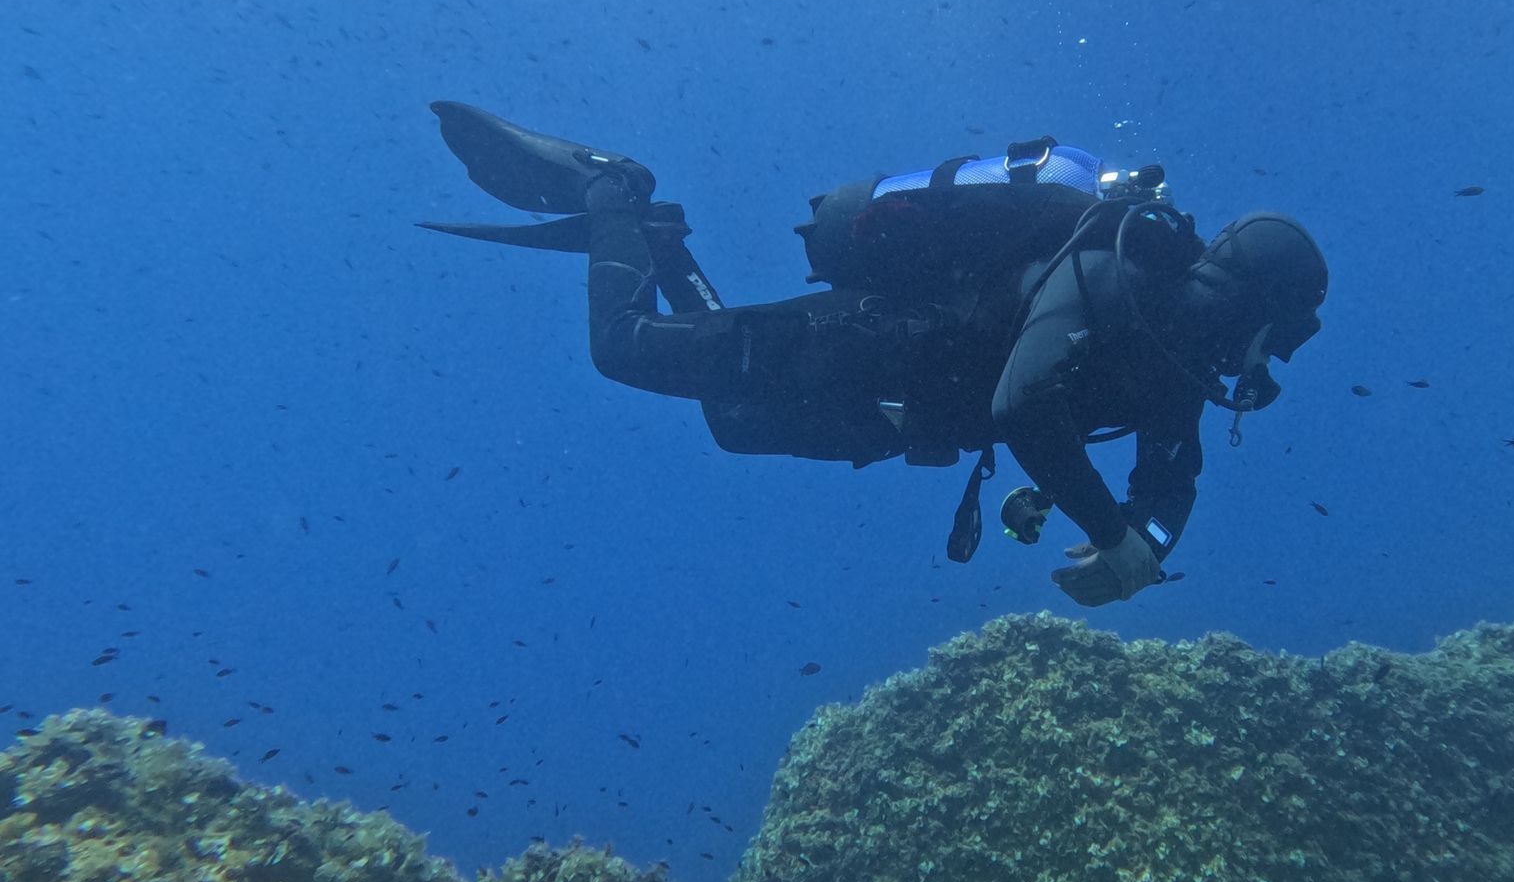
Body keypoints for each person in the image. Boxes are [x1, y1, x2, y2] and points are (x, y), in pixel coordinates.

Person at [422, 107, 1327, 608]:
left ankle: (655, 238)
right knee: (622, 349)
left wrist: (1141, 544)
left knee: (733, 426)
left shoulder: (1171, 363)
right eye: (1282, 334)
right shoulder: (1112, 271)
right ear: (1256, 305)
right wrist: (1113, 532)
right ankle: (609, 184)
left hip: (896, 411)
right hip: (857, 344)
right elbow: (1024, 406)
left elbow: (1171, 483)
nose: (1273, 360)